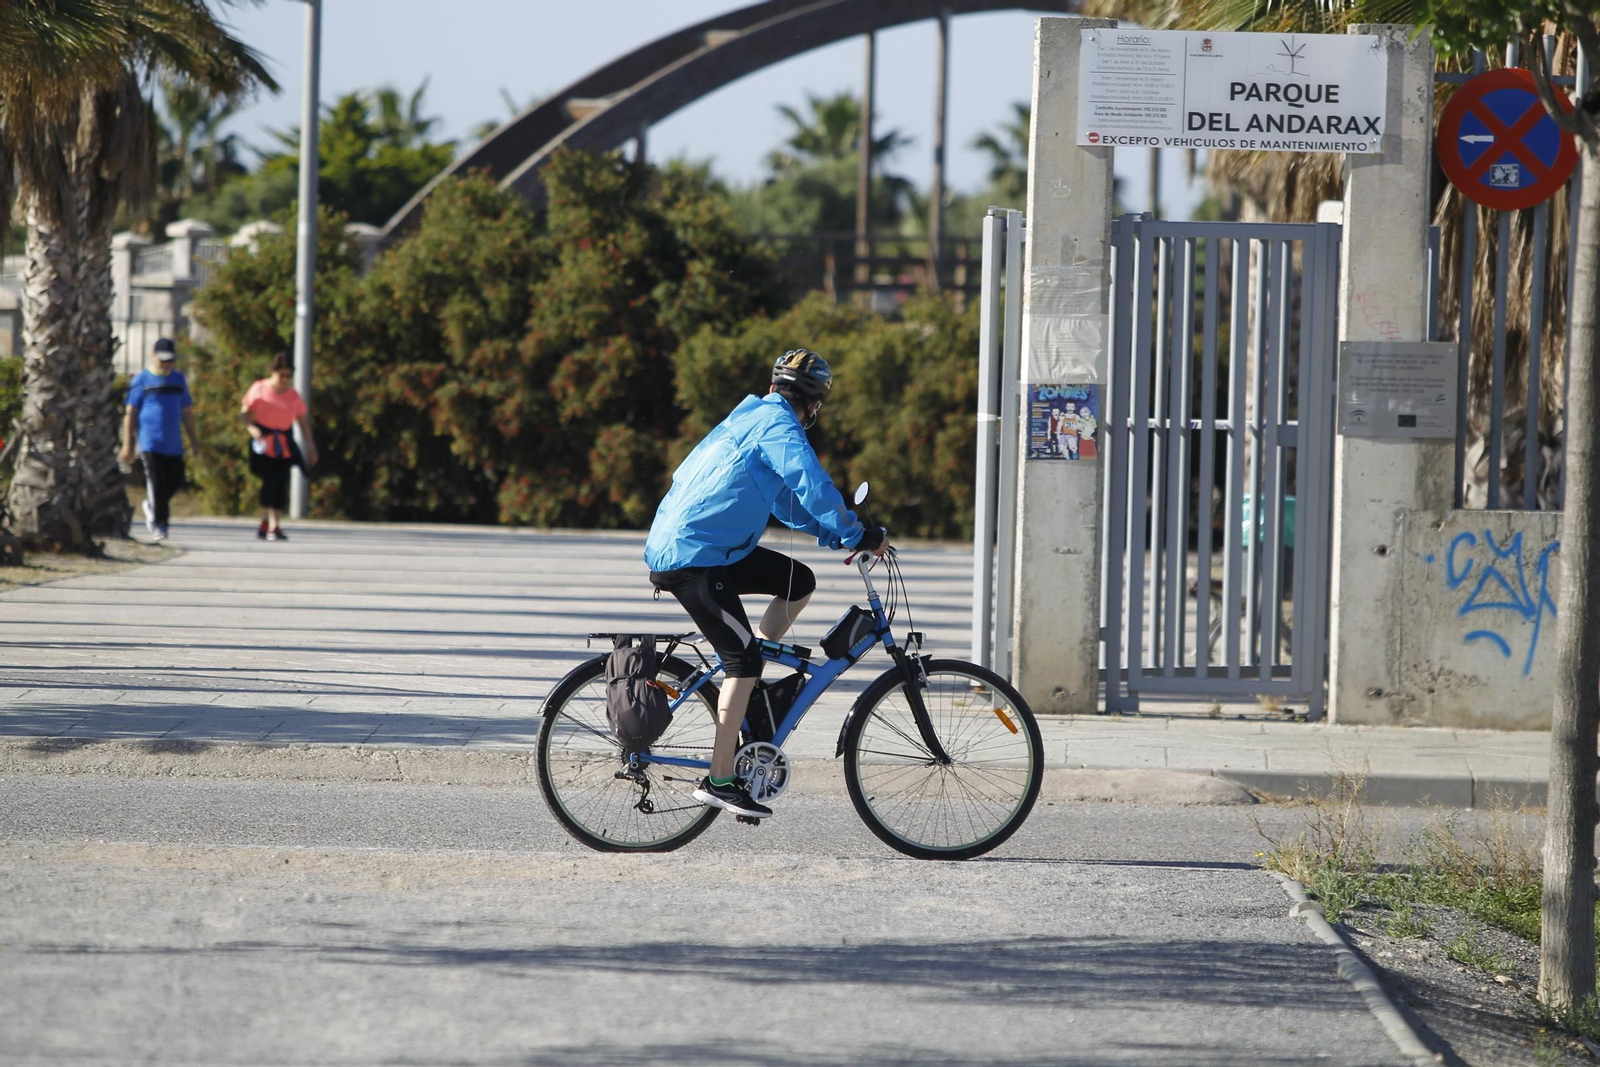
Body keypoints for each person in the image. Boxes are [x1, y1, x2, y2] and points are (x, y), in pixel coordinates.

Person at [644, 348, 887, 819]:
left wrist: (838, 536)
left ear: (776, 387)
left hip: (709, 546)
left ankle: (749, 688)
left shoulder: (753, 415)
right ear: (813, 404)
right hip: (694, 557)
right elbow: (811, 484)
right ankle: (720, 779)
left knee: (798, 581)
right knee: (743, 660)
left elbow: (787, 503)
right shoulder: (779, 425)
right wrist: (858, 532)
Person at [119, 337, 198, 542]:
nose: (166, 364)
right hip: (150, 442)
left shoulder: (179, 380)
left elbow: (187, 412)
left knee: (175, 480)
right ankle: (160, 523)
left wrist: (194, 441)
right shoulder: (142, 380)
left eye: (170, 360)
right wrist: (128, 445)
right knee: (156, 482)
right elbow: (131, 413)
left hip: (173, 444)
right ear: (154, 356)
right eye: (162, 360)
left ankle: (151, 505)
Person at [241, 353, 317, 542]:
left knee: (281, 484)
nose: (284, 379)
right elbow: (245, 413)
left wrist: (310, 446)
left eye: (288, 376)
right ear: (273, 372)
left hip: (284, 446)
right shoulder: (259, 388)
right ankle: (268, 523)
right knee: (269, 482)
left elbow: (303, 423)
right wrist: (251, 428)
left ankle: (272, 524)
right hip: (263, 445)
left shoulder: (293, 396)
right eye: (281, 375)